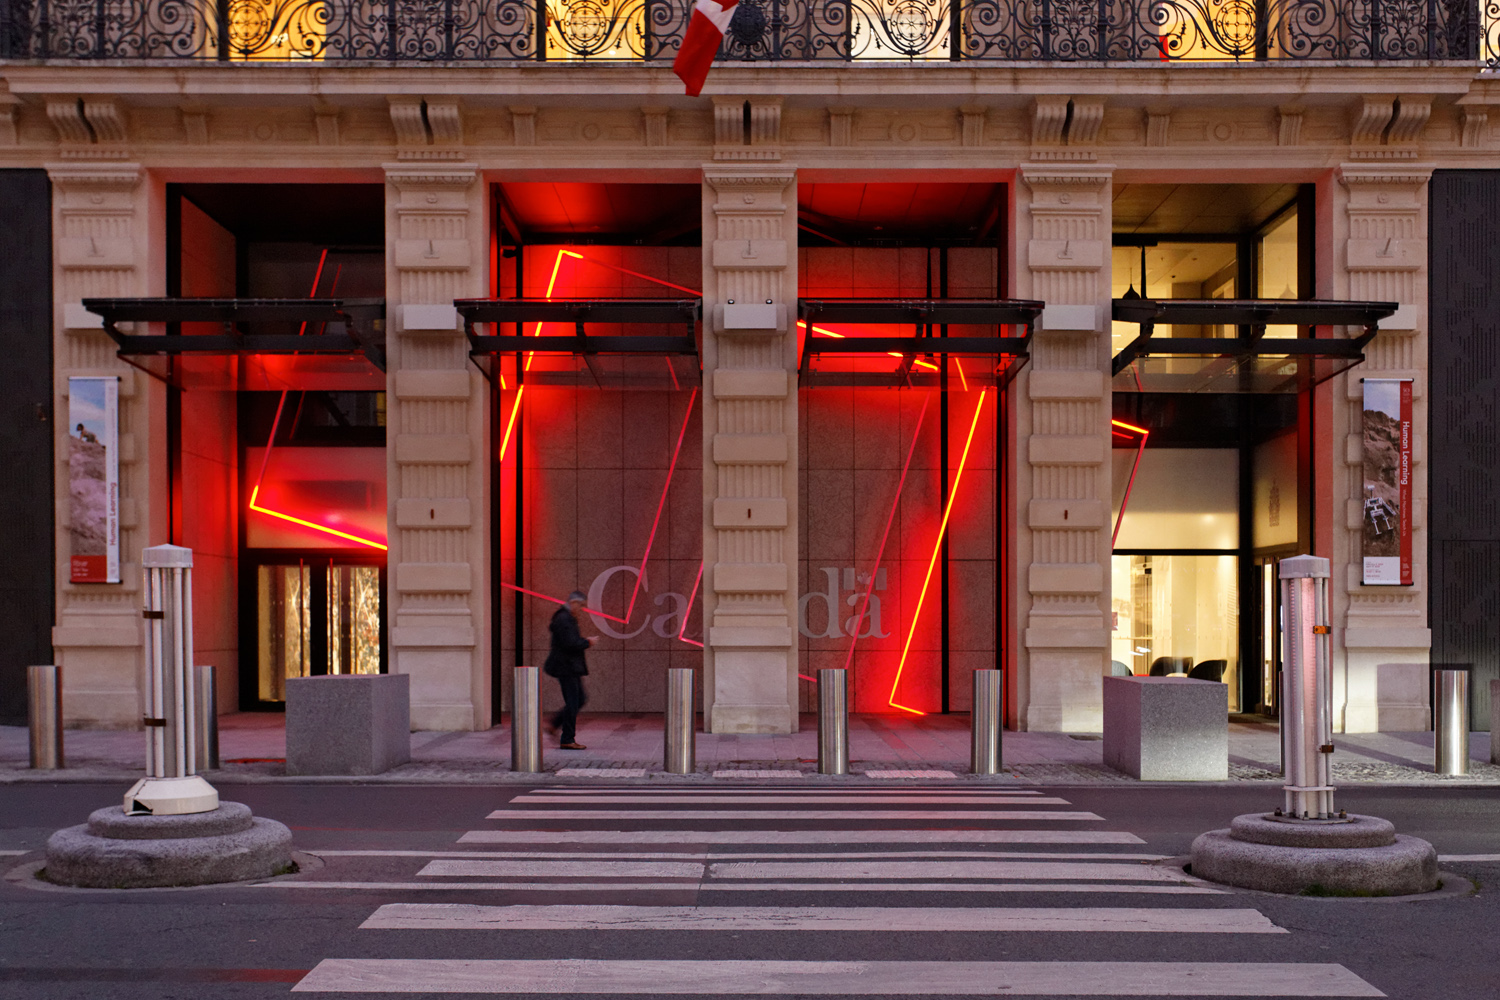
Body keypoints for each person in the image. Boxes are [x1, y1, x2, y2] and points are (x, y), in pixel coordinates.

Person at [544, 591, 598, 750]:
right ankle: (567, 737)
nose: (581, 609)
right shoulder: (564, 619)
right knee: (574, 701)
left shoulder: (565, 618)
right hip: (566, 666)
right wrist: (587, 642)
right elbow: (570, 642)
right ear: (573, 602)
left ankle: (555, 725)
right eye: (581, 605)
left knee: (578, 699)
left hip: (569, 667)